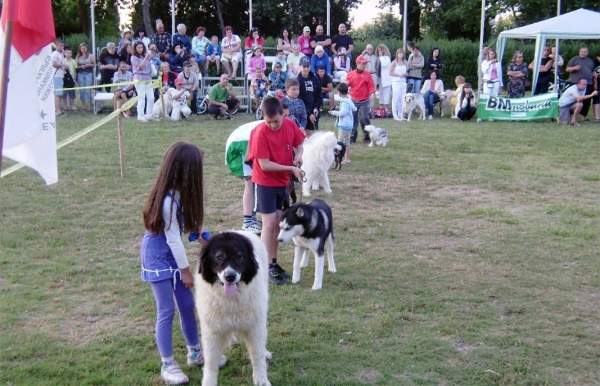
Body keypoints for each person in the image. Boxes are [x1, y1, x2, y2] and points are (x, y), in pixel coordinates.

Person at [140, 142, 208, 385]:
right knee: (166, 309)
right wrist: (186, 271)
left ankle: (195, 352)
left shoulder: (179, 195)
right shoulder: (169, 200)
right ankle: (167, 363)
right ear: (185, 171)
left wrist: (200, 235)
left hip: (172, 254)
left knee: (187, 305)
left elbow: (182, 229)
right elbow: (171, 238)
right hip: (158, 255)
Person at [246, 97, 305, 285]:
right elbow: (264, 165)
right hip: (264, 182)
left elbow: (300, 144)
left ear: (283, 114)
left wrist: (298, 155)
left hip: (282, 182)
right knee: (269, 223)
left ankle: (273, 263)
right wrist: (290, 169)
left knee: (279, 222)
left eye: (276, 121)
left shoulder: (289, 125)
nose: (272, 125)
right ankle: (262, 267)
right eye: (268, 121)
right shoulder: (260, 133)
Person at [347, 55, 375, 143]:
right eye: (363, 63)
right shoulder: (351, 74)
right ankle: (352, 137)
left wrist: (372, 94)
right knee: (353, 119)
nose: (364, 65)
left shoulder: (368, 75)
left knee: (364, 118)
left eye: (365, 64)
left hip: (364, 101)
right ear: (358, 63)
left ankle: (367, 137)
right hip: (353, 100)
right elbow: (346, 85)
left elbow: (371, 87)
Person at [329, 82, 355, 163]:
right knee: (347, 142)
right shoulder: (347, 99)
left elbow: (343, 113)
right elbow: (345, 110)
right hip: (349, 125)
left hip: (344, 125)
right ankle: (346, 158)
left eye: (337, 92)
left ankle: (339, 158)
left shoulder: (345, 102)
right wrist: (337, 107)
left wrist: (333, 112)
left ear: (340, 92)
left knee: (340, 143)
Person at [566, 47, 595, 117]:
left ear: (587, 53)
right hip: (575, 83)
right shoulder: (574, 59)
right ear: (579, 52)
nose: (583, 53)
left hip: (588, 83)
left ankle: (583, 115)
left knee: (587, 100)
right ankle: (571, 114)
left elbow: (592, 71)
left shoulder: (590, 61)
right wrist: (574, 68)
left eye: (585, 52)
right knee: (574, 99)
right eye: (582, 51)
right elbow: (567, 69)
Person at [131, 41, 155, 122]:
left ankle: (149, 115)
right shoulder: (133, 57)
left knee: (151, 98)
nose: (140, 49)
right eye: (138, 47)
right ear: (135, 48)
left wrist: (150, 54)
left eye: (141, 47)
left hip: (148, 78)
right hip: (139, 78)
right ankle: (140, 116)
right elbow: (140, 67)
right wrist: (146, 57)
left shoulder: (145, 55)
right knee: (142, 98)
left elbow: (152, 59)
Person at [297, 60, 322, 133]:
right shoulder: (298, 80)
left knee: (314, 132)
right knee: (304, 132)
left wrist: (316, 107)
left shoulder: (314, 78)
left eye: (307, 67)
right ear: (300, 67)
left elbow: (319, 94)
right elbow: (299, 98)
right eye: (304, 67)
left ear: (310, 67)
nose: (306, 69)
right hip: (303, 111)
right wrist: (308, 113)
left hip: (314, 109)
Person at [75, 42, 95, 111]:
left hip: (88, 73)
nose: (83, 49)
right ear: (80, 49)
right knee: (82, 90)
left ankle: (89, 105)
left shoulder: (91, 55)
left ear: (87, 48)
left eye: (84, 48)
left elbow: (94, 65)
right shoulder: (78, 56)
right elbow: (76, 66)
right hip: (80, 74)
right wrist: (81, 66)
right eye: (82, 48)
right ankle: (83, 105)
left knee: (87, 89)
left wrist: (88, 65)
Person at [389, 48, 407, 121]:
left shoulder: (405, 62)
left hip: (403, 82)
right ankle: (395, 115)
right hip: (396, 82)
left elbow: (407, 72)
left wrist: (405, 74)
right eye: (399, 53)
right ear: (397, 54)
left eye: (402, 53)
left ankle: (401, 115)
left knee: (402, 99)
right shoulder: (394, 62)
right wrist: (399, 74)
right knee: (395, 98)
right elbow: (390, 73)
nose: (401, 55)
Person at [51, 40, 66, 115]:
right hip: (56, 75)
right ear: (56, 46)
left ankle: (58, 109)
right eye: (60, 45)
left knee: (59, 94)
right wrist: (63, 66)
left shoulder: (61, 54)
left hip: (61, 75)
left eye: (62, 46)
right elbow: (53, 64)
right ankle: (57, 110)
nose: (62, 47)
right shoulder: (54, 54)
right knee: (57, 94)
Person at [376, 44, 392, 110]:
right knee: (381, 92)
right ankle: (381, 105)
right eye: (378, 50)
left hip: (387, 77)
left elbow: (386, 65)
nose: (379, 52)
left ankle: (386, 106)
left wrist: (380, 57)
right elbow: (376, 68)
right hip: (380, 77)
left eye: (381, 50)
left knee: (387, 92)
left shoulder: (387, 58)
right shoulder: (377, 58)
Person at [63, 47, 77, 111]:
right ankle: (65, 106)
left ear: (71, 54)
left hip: (72, 80)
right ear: (65, 54)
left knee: (72, 93)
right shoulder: (62, 61)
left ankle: (72, 105)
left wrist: (75, 79)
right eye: (67, 53)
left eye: (70, 53)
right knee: (64, 93)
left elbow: (76, 70)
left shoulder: (74, 61)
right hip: (64, 79)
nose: (69, 54)